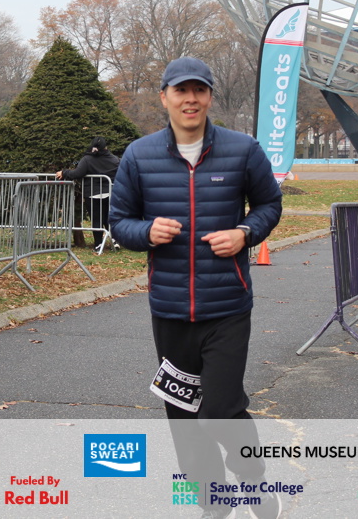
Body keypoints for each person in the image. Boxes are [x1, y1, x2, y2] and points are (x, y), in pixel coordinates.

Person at [109, 57, 284, 519]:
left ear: (209, 97)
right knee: (183, 416)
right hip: (169, 310)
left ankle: (254, 484)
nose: (191, 99)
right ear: (164, 97)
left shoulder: (242, 150)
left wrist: (244, 233)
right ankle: (214, 505)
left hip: (227, 305)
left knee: (221, 409)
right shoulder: (139, 155)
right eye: (181, 91)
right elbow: (119, 222)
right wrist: (147, 232)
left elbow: (269, 204)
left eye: (199, 90)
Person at [56, 137, 121, 253]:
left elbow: (77, 173)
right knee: (109, 218)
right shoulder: (114, 159)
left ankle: (98, 244)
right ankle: (114, 240)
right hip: (110, 193)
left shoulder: (87, 159)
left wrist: (64, 172)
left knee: (96, 219)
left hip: (92, 193)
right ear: (105, 147)